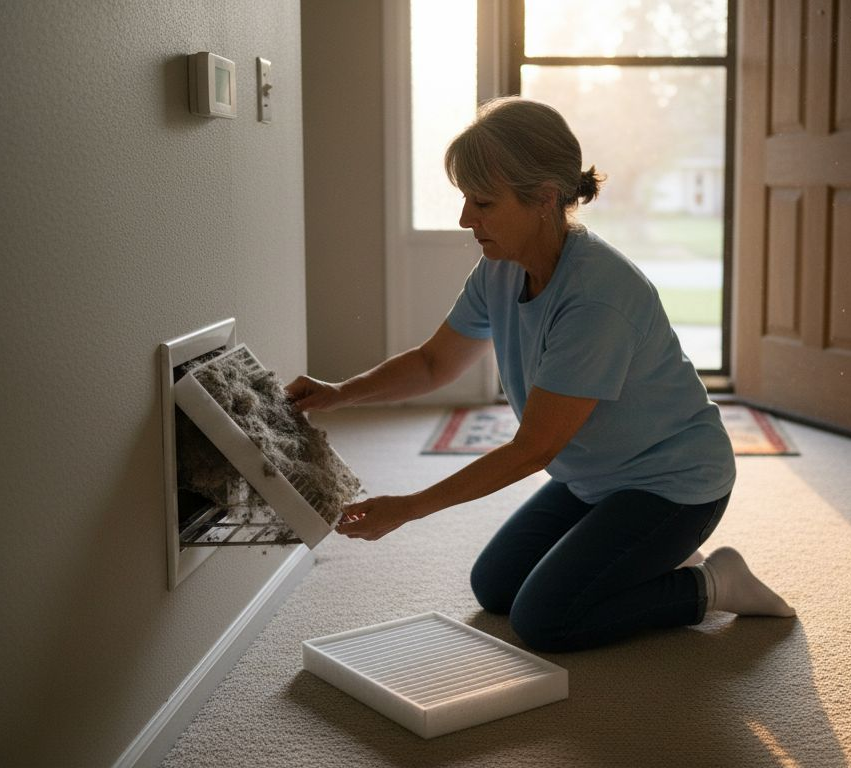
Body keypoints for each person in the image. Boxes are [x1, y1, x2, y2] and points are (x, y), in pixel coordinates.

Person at [286, 97, 793, 653]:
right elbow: (435, 363)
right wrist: (340, 394)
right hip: (594, 479)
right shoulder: (500, 268)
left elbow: (531, 450)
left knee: (545, 620)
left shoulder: (598, 297)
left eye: (482, 202)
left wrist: (406, 508)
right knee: (494, 588)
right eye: (464, 199)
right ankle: (640, 554)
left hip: (673, 484)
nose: (464, 219)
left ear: (545, 199)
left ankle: (714, 582)